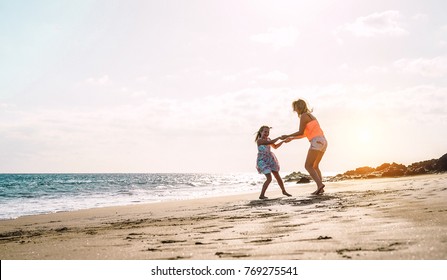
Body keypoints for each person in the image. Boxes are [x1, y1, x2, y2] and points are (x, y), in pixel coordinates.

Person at [281, 99, 328, 195]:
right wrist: (292, 138)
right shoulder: (311, 116)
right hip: (323, 141)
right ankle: (320, 188)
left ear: (298, 107)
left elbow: (300, 132)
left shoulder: (303, 116)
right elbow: (304, 134)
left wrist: (287, 136)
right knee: (315, 166)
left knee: (308, 166)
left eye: (295, 108)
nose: (294, 110)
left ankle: (320, 185)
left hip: (316, 141)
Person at [255, 125, 292, 199]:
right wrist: (278, 137)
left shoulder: (268, 139)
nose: (267, 133)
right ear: (261, 132)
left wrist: (283, 141)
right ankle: (261, 195)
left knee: (277, 176)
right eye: (265, 132)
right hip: (262, 160)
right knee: (269, 178)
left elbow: (275, 146)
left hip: (270, 159)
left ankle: (284, 191)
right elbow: (271, 142)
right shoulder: (259, 140)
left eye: (268, 132)